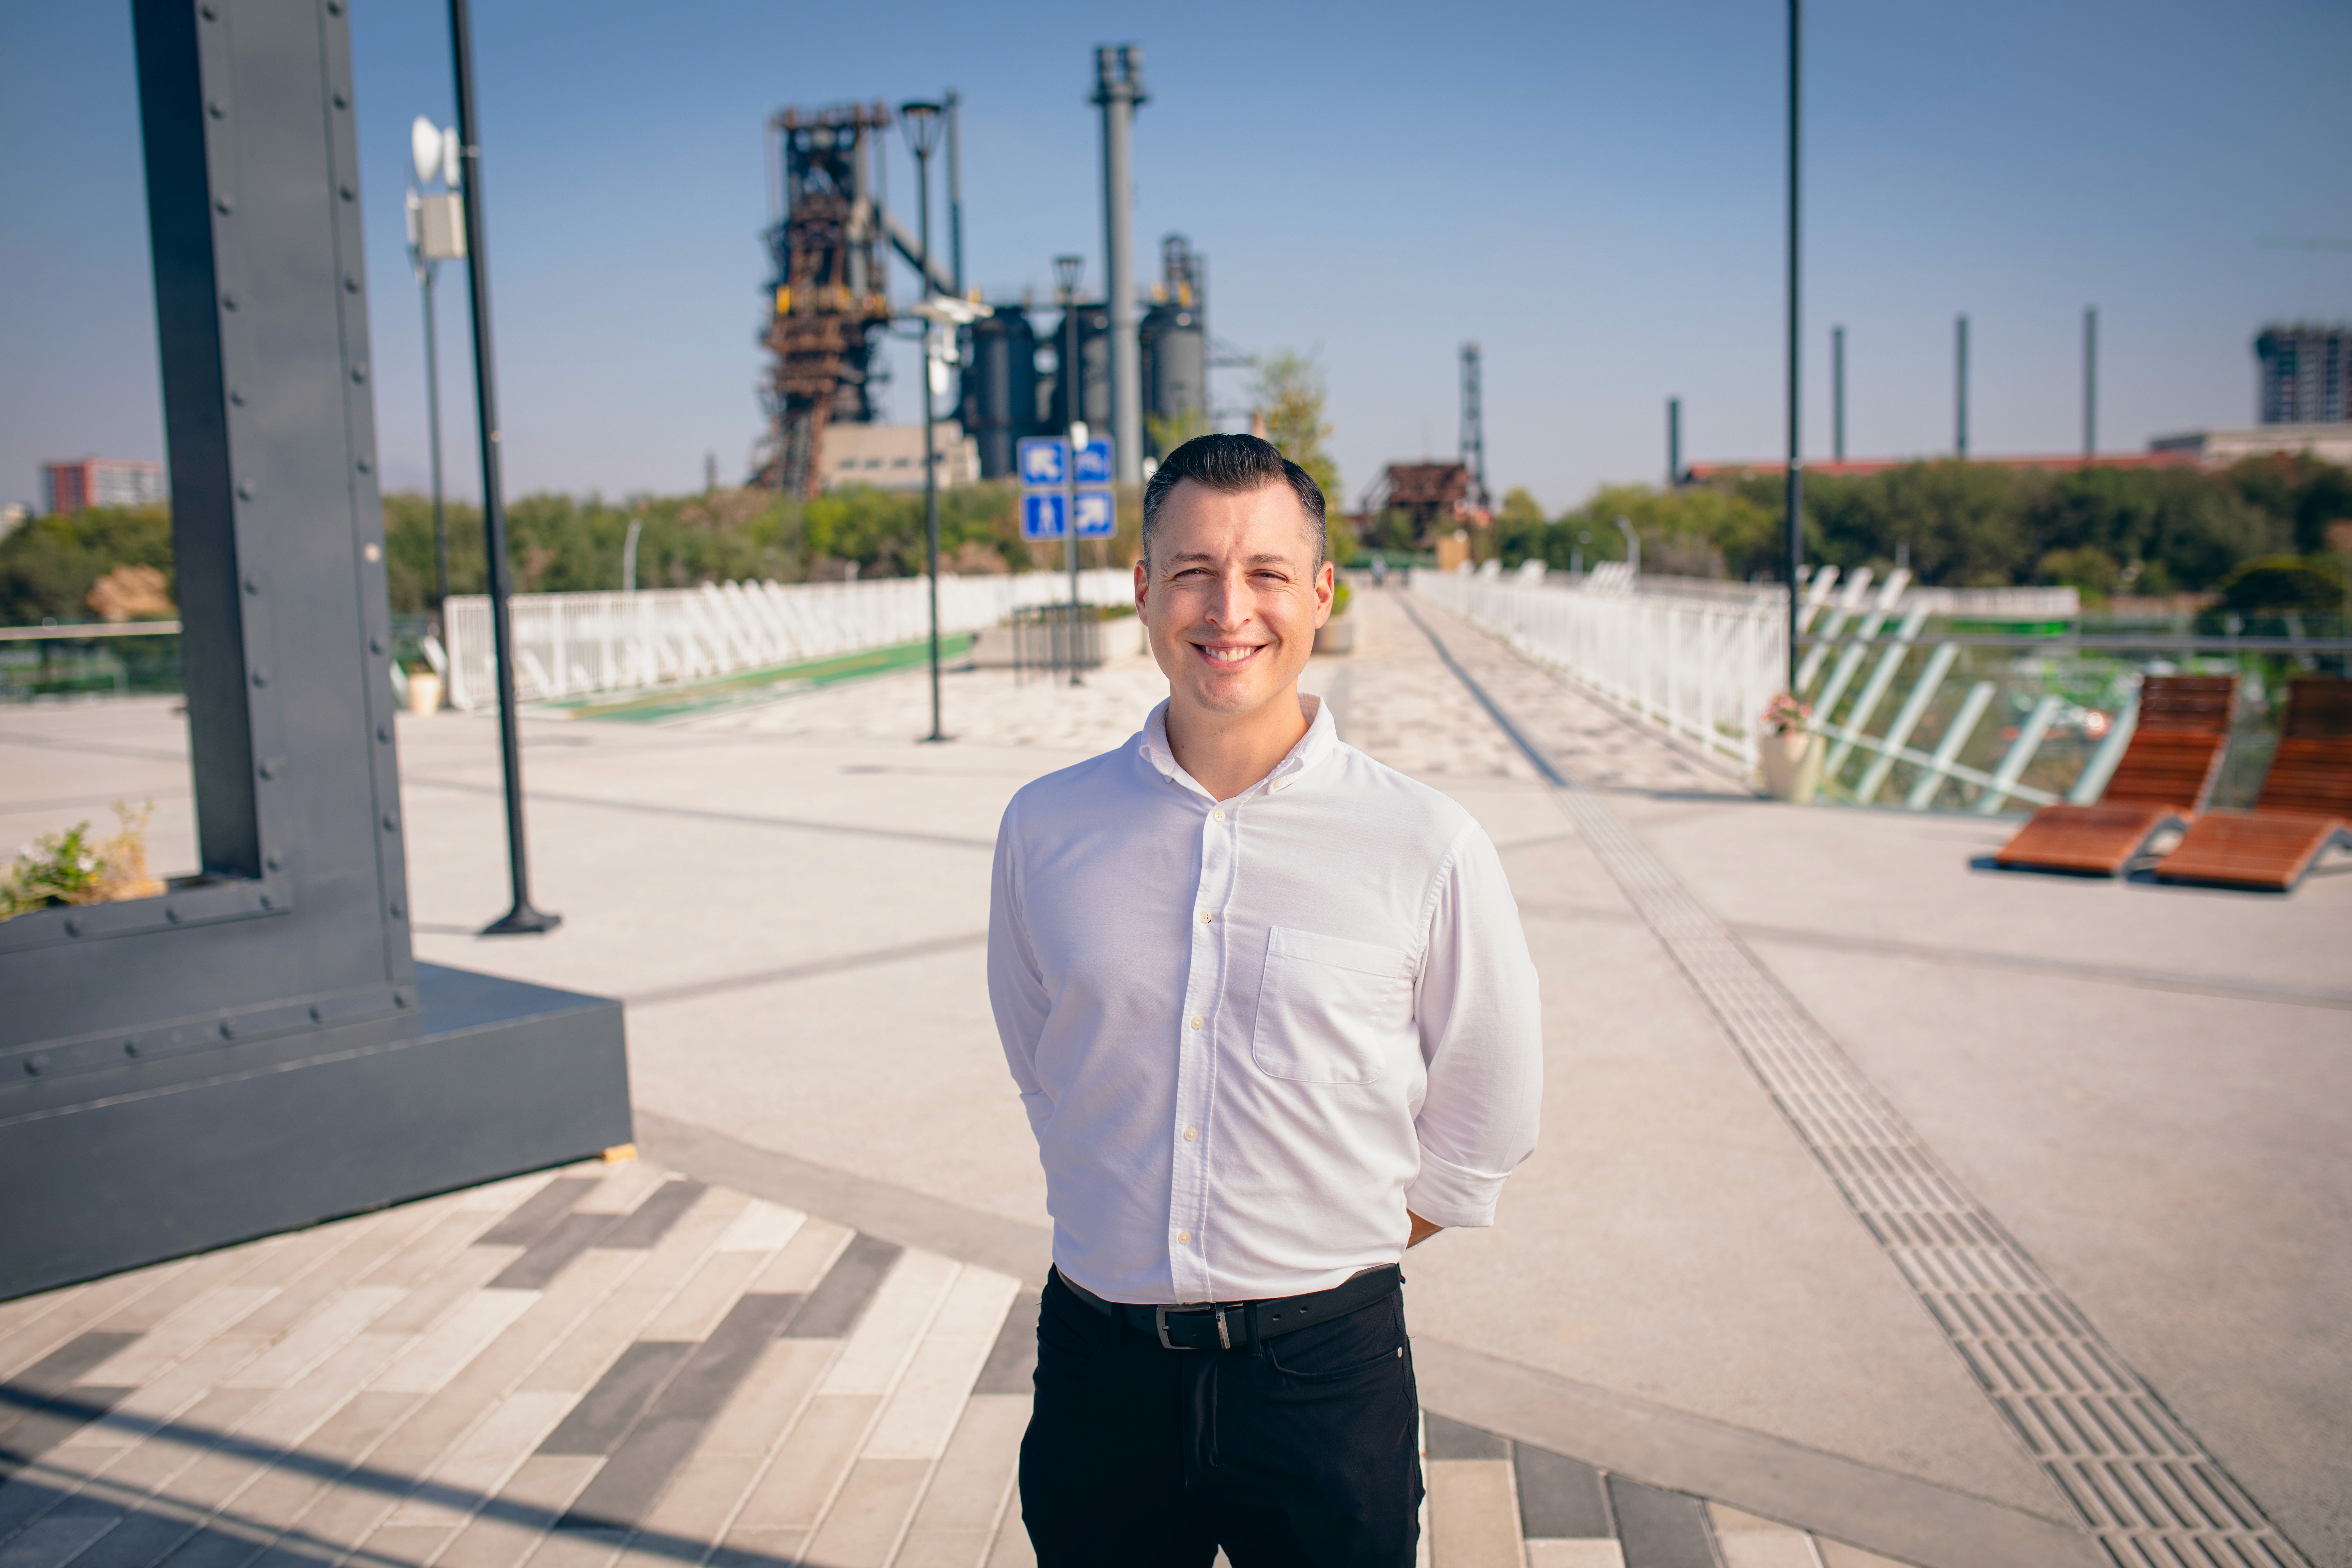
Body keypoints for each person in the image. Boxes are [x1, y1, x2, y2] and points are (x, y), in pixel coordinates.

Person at [987, 434, 1543, 1566]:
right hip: (1101, 1370)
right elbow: (1048, 1065)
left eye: (1267, 573)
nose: (1226, 606)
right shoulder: (1046, 828)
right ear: (1144, 591)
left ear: (1322, 594)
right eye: (1191, 569)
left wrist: (1317, 1250)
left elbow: (1487, 1116)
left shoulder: (1425, 843)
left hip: (1322, 1382)